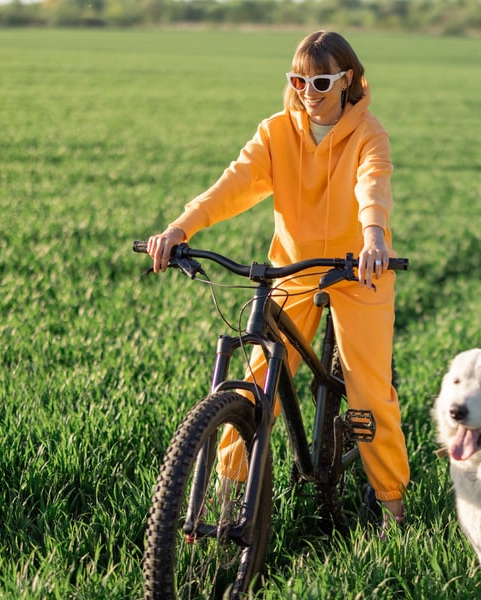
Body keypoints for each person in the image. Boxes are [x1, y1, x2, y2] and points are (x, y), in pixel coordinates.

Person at [143, 31, 407, 526]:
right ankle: (225, 501)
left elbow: (373, 184)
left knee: (369, 392)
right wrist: (180, 228)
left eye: (322, 81)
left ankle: (392, 507)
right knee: (253, 380)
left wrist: (374, 239)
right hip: (294, 269)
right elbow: (234, 184)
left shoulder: (369, 134)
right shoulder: (276, 133)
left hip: (359, 271)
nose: (309, 91)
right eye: (298, 80)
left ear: (347, 79)